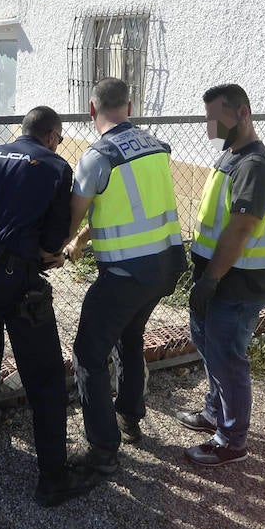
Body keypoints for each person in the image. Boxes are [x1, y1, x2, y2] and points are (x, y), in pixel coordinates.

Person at [0, 105, 100, 507]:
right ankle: (53, 479)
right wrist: (41, 250)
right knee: (45, 379)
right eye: (61, 138)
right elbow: (53, 241)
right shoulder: (55, 168)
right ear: (52, 136)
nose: (61, 144)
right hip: (13, 282)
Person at [64, 77, 185, 474]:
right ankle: (129, 417)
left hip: (124, 273)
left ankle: (102, 447)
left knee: (88, 352)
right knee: (129, 336)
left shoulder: (96, 157)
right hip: (165, 266)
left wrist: (60, 244)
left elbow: (74, 214)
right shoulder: (155, 145)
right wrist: (85, 240)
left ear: (91, 110)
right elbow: (123, 206)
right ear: (129, 108)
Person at [179, 83, 265, 467]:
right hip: (218, 277)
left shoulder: (254, 165)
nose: (210, 127)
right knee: (209, 348)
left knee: (227, 359)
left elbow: (240, 229)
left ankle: (231, 440)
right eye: (207, 119)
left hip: (237, 283)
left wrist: (210, 280)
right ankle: (214, 414)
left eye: (215, 118)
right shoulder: (231, 157)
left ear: (243, 113)